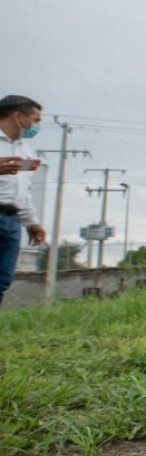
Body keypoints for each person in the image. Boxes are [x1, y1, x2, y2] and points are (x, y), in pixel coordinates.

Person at [0, 96, 47, 307]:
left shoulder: (25, 151)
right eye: (35, 120)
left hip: (11, 221)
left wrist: (32, 222)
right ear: (17, 116)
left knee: (2, 280)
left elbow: (23, 191)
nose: (36, 126)